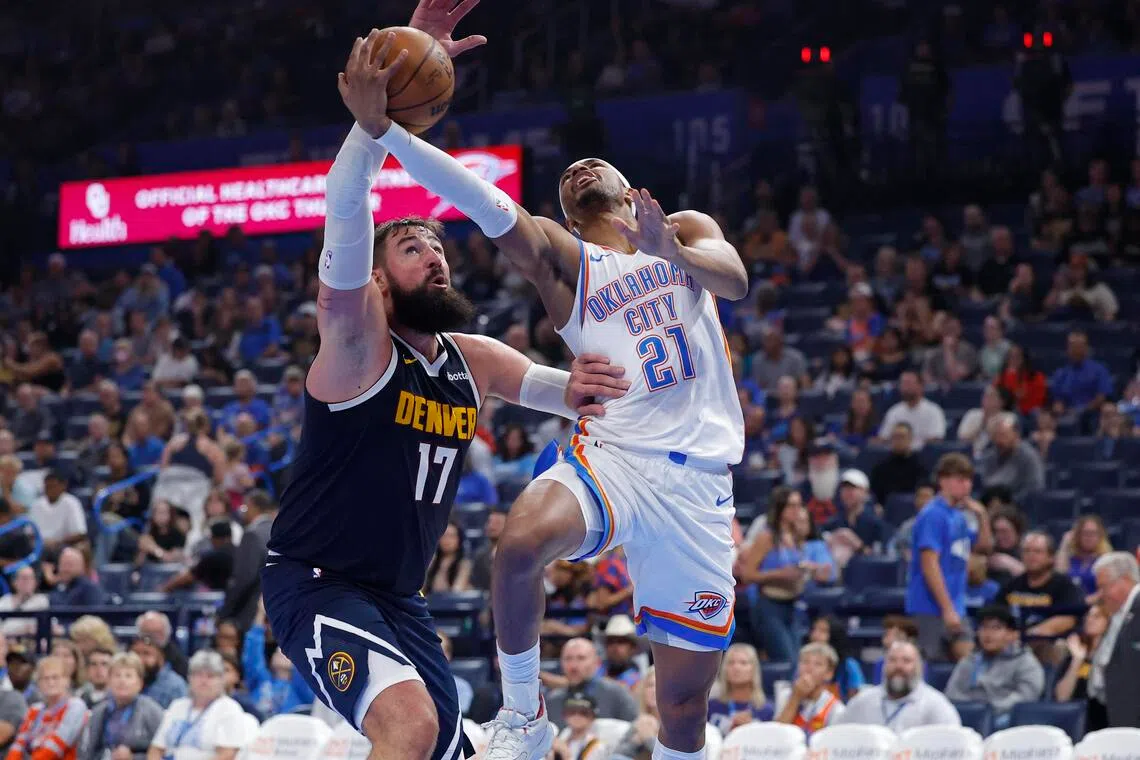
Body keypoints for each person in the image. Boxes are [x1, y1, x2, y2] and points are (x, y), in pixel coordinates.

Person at [364, 14, 751, 759]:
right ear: (568, 213)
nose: (577, 169)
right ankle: (524, 716)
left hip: (699, 487)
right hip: (616, 457)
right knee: (519, 542)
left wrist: (673, 252)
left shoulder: (686, 228)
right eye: (565, 176)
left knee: (680, 707)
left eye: (590, 164)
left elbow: (735, 283)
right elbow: (484, 204)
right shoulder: (567, 264)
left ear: (620, 184)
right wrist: (388, 136)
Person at [260, 11, 629, 760]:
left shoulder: (473, 358)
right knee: (412, 727)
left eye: (437, 242)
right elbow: (345, 211)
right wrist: (371, 122)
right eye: (410, 246)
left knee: (449, 749)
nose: (434, 254)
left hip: (400, 598)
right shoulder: (358, 341)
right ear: (377, 281)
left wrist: (593, 380)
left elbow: (567, 391)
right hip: (317, 581)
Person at [905, 454, 992, 661]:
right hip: (929, 607)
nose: (966, 485)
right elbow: (929, 565)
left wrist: (982, 516)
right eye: (960, 479)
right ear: (943, 481)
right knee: (930, 667)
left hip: (955, 605)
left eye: (969, 480)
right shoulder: (933, 515)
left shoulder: (959, 516)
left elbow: (984, 547)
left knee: (969, 664)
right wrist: (947, 609)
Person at [945, 605, 1044, 728]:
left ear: (1012, 634)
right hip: (967, 718)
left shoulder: (1026, 662)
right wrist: (971, 710)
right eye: (984, 627)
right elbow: (952, 693)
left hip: (1006, 721)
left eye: (996, 628)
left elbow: (1026, 697)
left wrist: (989, 709)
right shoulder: (969, 660)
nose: (988, 634)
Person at [147, 650, 252, 760]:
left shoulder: (229, 708)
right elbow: (156, 749)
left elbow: (226, 755)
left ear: (221, 680)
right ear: (189, 678)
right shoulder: (177, 705)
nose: (203, 681)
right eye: (198, 675)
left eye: (210, 676)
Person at [836, 640, 960, 733]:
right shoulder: (863, 701)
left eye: (906, 661)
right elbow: (836, 736)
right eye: (892, 660)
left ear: (919, 667)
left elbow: (953, 745)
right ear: (883, 666)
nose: (898, 666)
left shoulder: (936, 704)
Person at [996, 531, 1082, 644]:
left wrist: (1025, 635)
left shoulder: (1064, 585)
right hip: (1012, 644)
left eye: (1037, 552)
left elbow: (1067, 620)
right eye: (1027, 551)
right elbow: (996, 615)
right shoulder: (1012, 585)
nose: (1031, 556)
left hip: (1050, 644)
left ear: (1051, 557)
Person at [78, 652, 165, 760]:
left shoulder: (151, 711)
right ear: (109, 681)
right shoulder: (98, 712)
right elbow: (87, 751)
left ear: (140, 683)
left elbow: (164, 752)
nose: (122, 681)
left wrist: (134, 757)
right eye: (117, 675)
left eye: (128, 676)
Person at [1089, 552, 1140, 728]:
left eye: (1104, 587)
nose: (1100, 595)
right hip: (1118, 712)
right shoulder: (1118, 613)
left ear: (1125, 579)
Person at [6, 656, 89, 760]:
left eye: (55, 677)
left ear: (67, 680)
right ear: (38, 683)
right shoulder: (35, 709)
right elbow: (18, 745)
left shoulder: (76, 706)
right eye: (45, 678)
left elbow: (56, 746)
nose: (51, 682)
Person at [544, 639, 638, 727]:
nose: (573, 666)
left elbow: (634, 732)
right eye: (568, 659)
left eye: (581, 658)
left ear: (596, 663)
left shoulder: (617, 694)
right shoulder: (553, 701)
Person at [1054, 604, 1109, 732]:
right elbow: (1062, 697)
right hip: (1075, 718)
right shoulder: (1074, 655)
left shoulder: (1114, 657)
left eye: (1097, 616)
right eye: (1088, 616)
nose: (1090, 620)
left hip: (1103, 717)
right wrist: (1077, 661)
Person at [773, 643, 846, 737]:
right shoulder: (785, 695)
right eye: (805, 662)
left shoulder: (836, 709)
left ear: (829, 673)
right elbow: (777, 736)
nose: (809, 668)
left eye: (818, 664)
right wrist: (795, 698)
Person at [706, 644, 773, 736]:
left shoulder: (766, 709)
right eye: (731, 662)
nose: (736, 667)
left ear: (754, 669)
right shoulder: (710, 706)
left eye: (743, 663)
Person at [806, 616, 865, 701]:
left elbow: (855, 702)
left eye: (823, 631)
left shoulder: (849, 666)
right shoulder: (804, 663)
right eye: (814, 629)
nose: (816, 635)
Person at [1055, 515, 1112, 598]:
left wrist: (1084, 602)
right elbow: (1058, 577)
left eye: (1093, 533)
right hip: (1068, 606)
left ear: (1100, 536)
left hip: (1094, 606)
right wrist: (1065, 545)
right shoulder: (1070, 558)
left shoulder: (1106, 559)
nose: (1089, 537)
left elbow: (1107, 591)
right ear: (1077, 535)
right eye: (1085, 533)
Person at [611, 668, 661, 760]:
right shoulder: (641, 722)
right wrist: (636, 740)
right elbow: (616, 755)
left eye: (659, 685)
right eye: (650, 685)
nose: (654, 690)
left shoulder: (677, 725)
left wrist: (649, 738)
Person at [130, 636, 186, 710]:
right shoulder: (124, 680)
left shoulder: (174, 685)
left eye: (146, 654)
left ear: (161, 658)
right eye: (136, 653)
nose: (140, 659)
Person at [551, 692, 607, 760]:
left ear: (593, 717)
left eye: (584, 713)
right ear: (564, 715)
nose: (576, 716)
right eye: (572, 712)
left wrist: (564, 754)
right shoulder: (560, 739)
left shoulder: (596, 746)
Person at [0, 565, 48, 638]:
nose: (27, 581)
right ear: (14, 582)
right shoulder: (5, 600)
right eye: (24, 578)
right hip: (5, 641)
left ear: (35, 582)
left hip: (30, 642)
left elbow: (38, 628)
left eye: (31, 578)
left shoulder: (41, 600)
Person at [424, 520, 471, 593]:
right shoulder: (432, 562)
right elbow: (422, 590)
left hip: (452, 603)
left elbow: (456, 592)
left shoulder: (464, 565)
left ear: (459, 540)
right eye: (444, 536)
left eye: (451, 536)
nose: (447, 540)